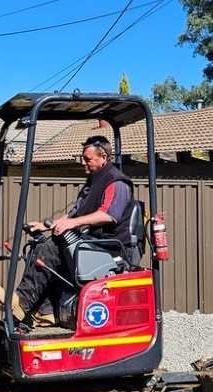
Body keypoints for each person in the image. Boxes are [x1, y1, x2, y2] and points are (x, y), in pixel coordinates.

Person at [9, 135, 134, 322]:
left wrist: (72, 224)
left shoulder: (116, 182)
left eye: (88, 159)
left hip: (110, 249)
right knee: (41, 244)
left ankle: (22, 302)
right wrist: (45, 225)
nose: (84, 164)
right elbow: (74, 213)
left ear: (104, 158)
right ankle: (47, 311)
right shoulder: (94, 182)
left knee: (52, 247)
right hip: (93, 243)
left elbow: (108, 215)